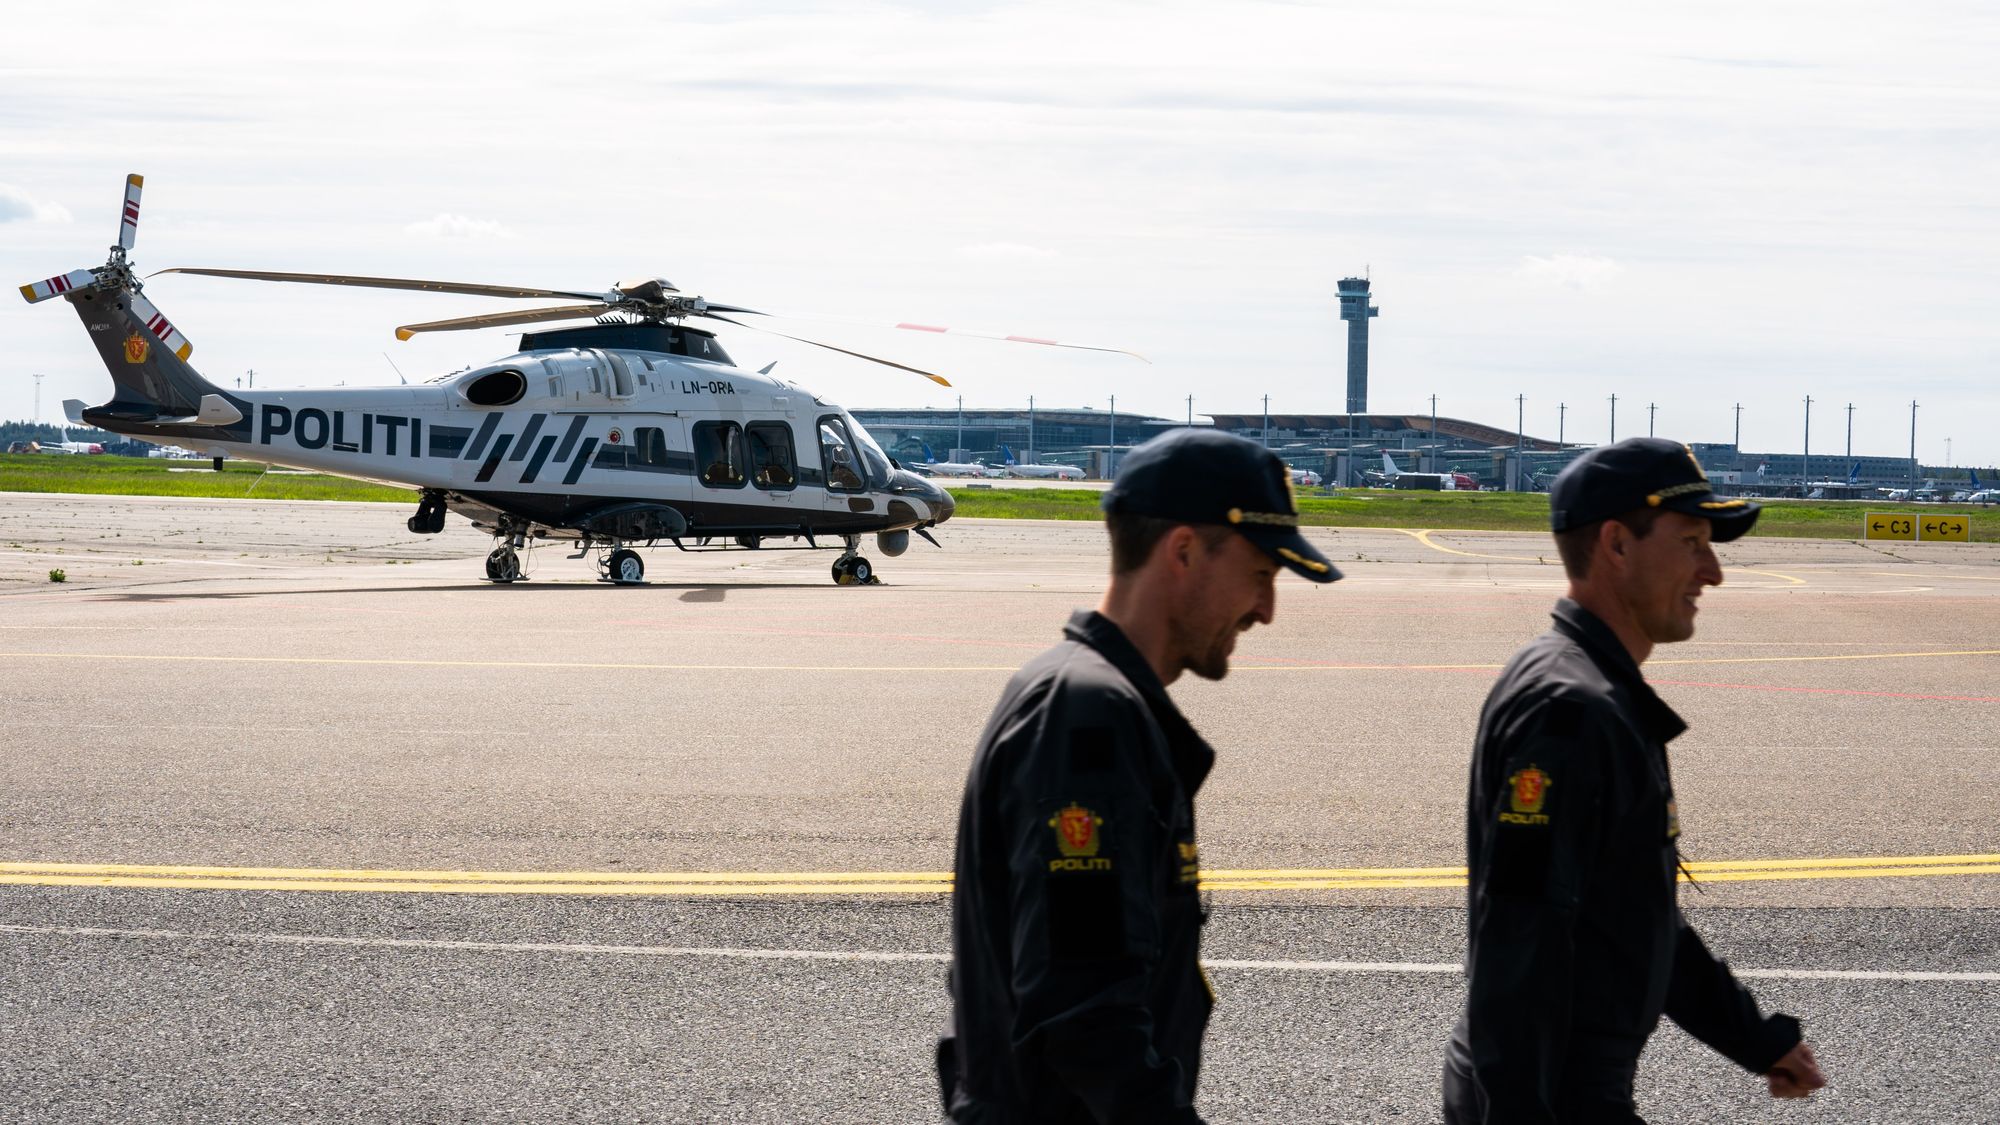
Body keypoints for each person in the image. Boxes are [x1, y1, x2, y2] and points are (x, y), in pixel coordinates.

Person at [937, 429, 1341, 1124]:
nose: (1267, 609)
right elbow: (1083, 1013)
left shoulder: (1076, 692)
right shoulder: (1088, 716)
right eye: (1260, 574)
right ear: (1183, 551)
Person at [1441, 437, 1828, 1123]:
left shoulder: (1592, 691)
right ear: (1617, 545)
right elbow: (1518, 949)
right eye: (1691, 542)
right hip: (1548, 1096)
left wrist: (1753, 1036)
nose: (1713, 572)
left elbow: (1631, 915)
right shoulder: (1571, 710)